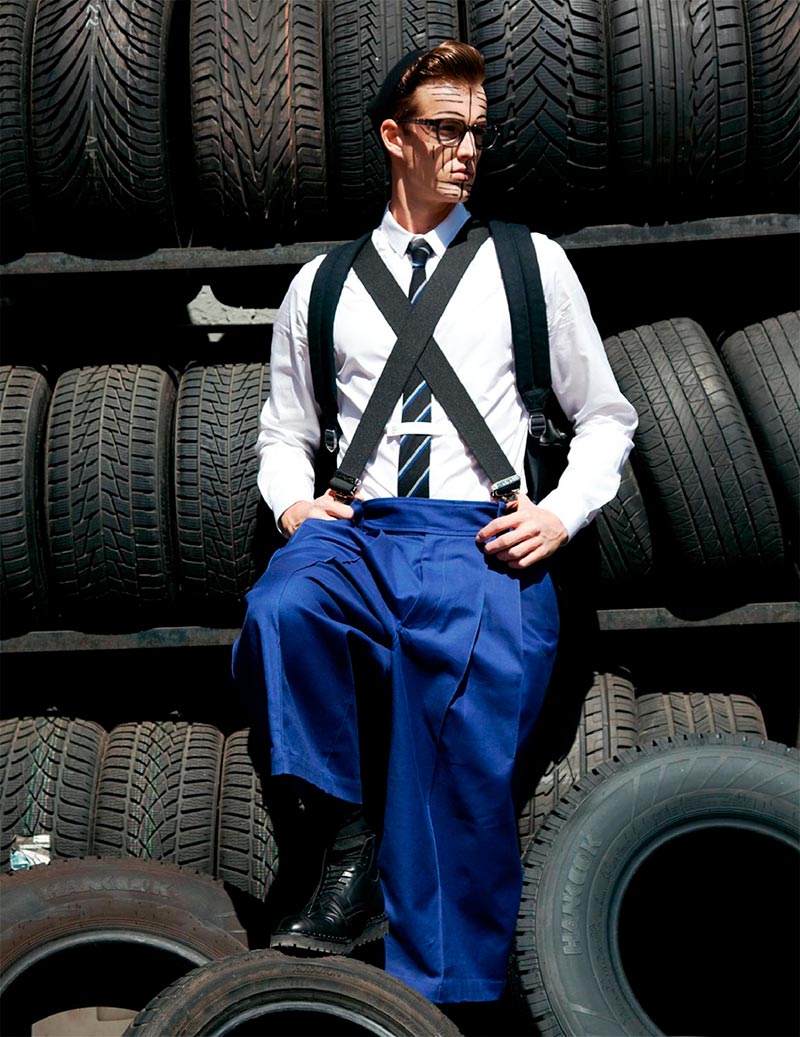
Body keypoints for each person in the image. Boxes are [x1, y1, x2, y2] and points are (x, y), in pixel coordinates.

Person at [232, 39, 637, 1006]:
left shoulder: (529, 265)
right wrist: (293, 504)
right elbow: (283, 432)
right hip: (359, 528)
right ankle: (348, 847)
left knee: (454, 728)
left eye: (478, 132)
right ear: (394, 137)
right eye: (446, 130)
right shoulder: (321, 285)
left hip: (479, 534)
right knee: (281, 611)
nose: (468, 150)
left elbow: (607, 417)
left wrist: (560, 514)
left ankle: (449, 997)